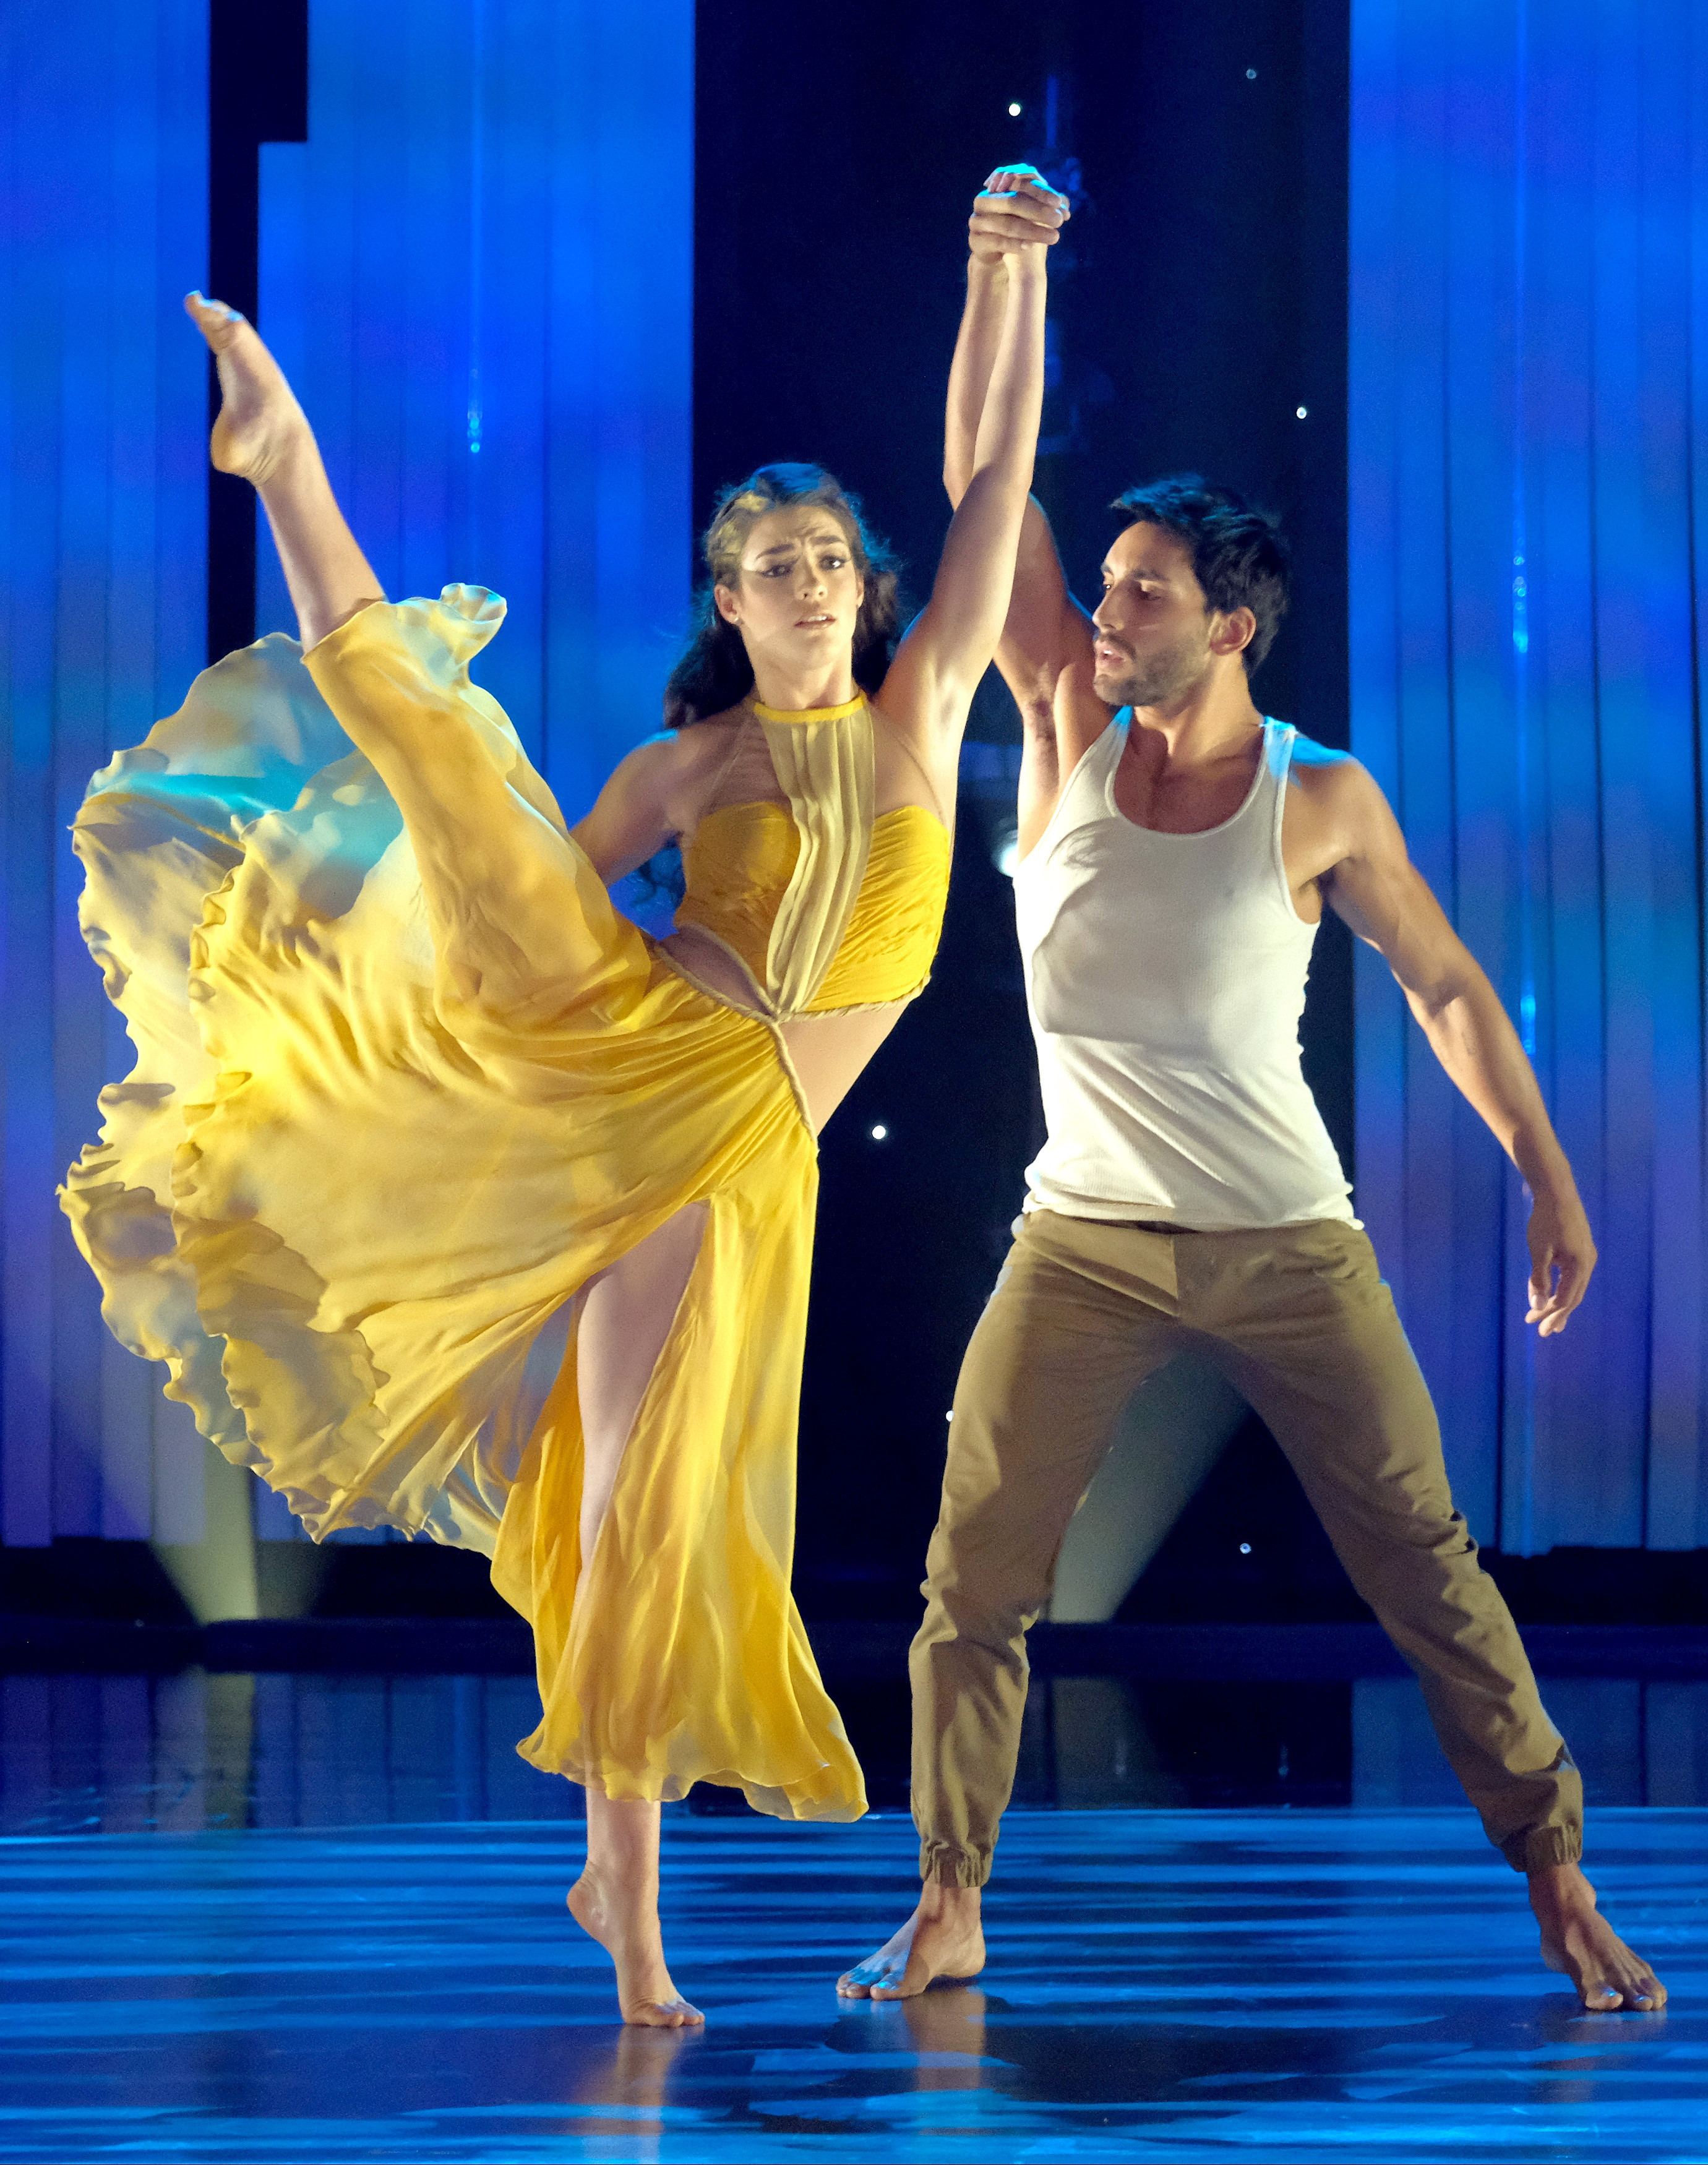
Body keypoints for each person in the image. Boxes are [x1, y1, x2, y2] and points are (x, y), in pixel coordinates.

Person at [61, 190, 1060, 2027]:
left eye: (828, 557)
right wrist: (482, 977)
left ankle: (614, 1873)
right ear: (729, 601)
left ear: (864, 585)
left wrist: (1008, 272)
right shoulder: (690, 762)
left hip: (751, 1144)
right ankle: (286, 462)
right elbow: (533, 889)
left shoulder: (919, 717)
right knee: (452, 778)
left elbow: (995, 469)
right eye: (771, 565)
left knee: (654, 1502)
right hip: (641, 1065)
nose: (809, 581)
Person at [837, 169, 1667, 2015]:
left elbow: (1444, 986)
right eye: (1108, 584)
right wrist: (997, 273)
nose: (1104, 609)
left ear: (1229, 628)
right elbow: (987, 488)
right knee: (974, 1577)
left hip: (1288, 1242)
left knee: (1425, 1568)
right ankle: (951, 1898)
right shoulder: (1064, 722)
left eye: (1143, 593)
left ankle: (1557, 1882)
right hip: (1083, 1239)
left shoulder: (1320, 797)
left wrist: (1546, 1173)